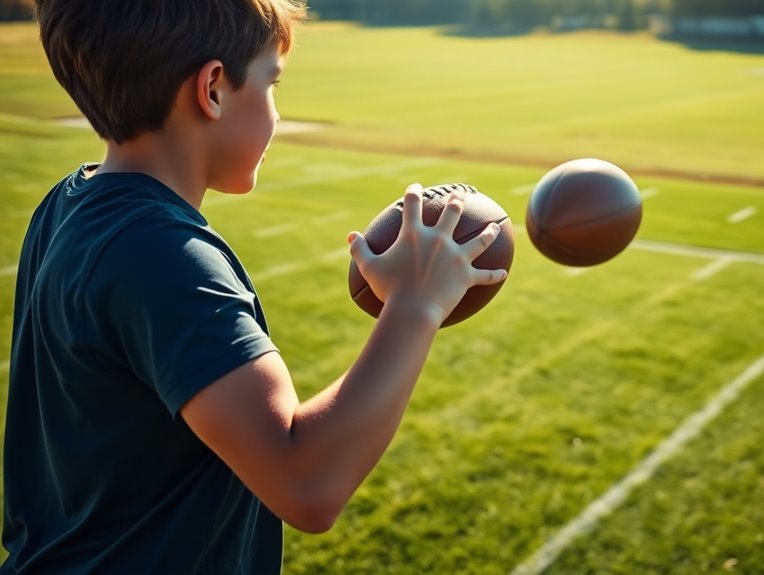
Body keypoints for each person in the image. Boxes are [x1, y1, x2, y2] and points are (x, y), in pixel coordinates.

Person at [2, 1, 507, 573]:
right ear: (213, 88)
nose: (275, 111)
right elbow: (306, 482)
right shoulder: (162, 257)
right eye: (271, 82)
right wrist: (416, 305)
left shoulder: (68, 204)